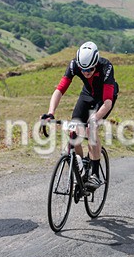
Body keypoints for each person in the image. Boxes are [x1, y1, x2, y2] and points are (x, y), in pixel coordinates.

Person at [41, 41, 118, 190]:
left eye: (89, 69)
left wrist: (95, 118)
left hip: (104, 97)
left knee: (91, 129)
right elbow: (60, 90)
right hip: (87, 94)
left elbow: (108, 102)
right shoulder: (74, 65)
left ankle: (95, 174)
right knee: (73, 129)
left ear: (95, 63)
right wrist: (50, 112)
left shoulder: (106, 67)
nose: (86, 72)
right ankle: (82, 167)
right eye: (83, 69)